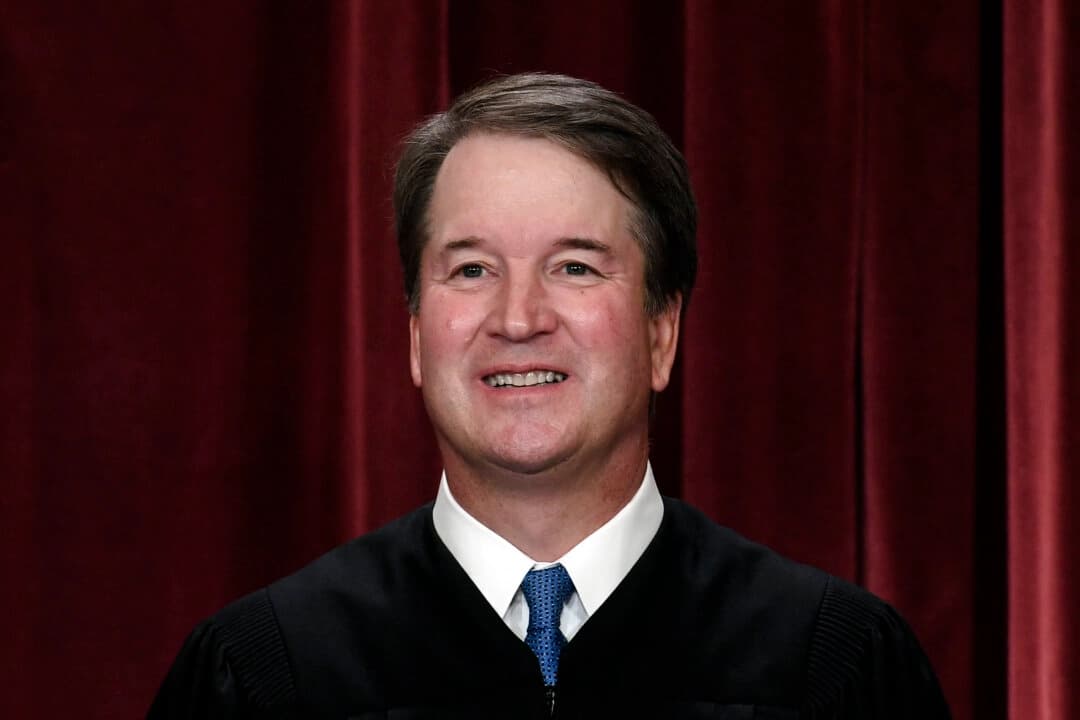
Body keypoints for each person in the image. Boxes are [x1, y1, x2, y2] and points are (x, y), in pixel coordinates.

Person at [149, 73, 950, 719]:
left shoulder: (831, 668)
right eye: (471, 270)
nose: (519, 319)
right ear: (418, 334)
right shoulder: (262, 675)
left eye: (574, 266)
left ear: (662, 331)